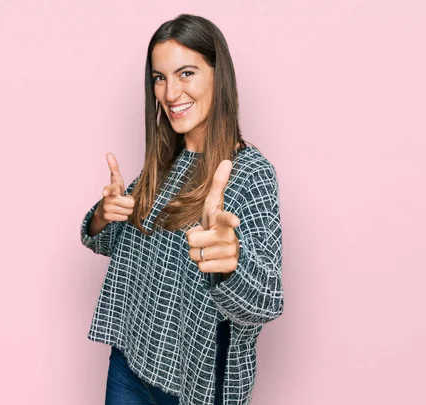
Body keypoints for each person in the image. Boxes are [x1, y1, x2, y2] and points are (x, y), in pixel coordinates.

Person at [80, 14, 283, 405]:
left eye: (185, 73)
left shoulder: (250, 173)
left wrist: (232, 262)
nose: (171, 92)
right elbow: (113, 243)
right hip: (130, 360)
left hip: (198, 378)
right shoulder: (165, 161)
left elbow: (268, 300)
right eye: (160, 78)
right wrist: (106, 213)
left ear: (217, 75)